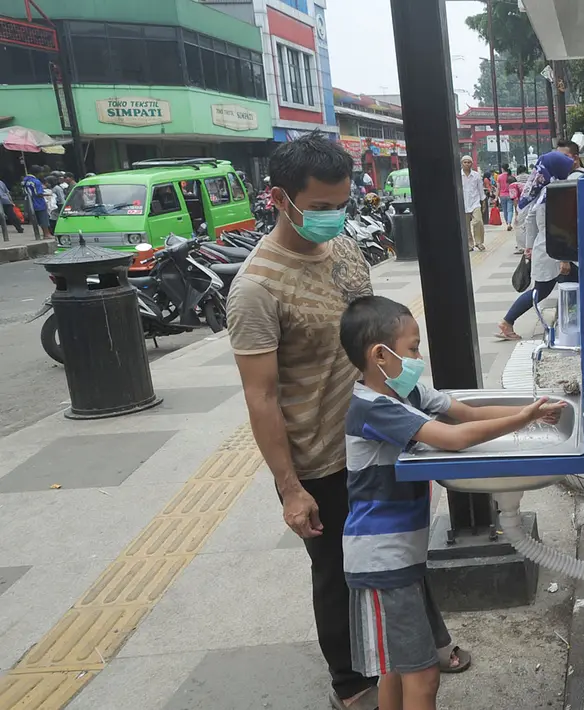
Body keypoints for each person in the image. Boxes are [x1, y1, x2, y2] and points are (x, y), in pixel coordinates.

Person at [228, 132, 470, 710]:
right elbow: (260, 397)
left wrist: (414, 395)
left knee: (399, 550)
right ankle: (350, 680)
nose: (333, 218)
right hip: (320, 456)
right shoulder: (255, 289)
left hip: (379, 434)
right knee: (339, 571)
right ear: (280, 199)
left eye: (342, 205)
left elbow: (374, 339)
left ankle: (423, 643)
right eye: (319, 208)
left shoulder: (344, 250)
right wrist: (290, 487)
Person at [339, 295, 563, 710]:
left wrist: (532, 408)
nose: (418, 356)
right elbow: (455, 438)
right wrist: (523, 419)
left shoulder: (402, 391)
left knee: (396, 668)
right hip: (382, 561)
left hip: (399, 558)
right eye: (411, 348)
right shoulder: (374, 408)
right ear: (379, 355)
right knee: (422, 675)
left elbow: (463, 413)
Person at [495, 143, 577, 341]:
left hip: (545, 249)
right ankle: (570, 329)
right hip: (554, 252)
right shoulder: (556, 193)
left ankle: (508, 322)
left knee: (544, 290)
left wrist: (529, 247)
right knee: (567, 287)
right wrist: (563, 259)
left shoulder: (544, 190)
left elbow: (530, 218)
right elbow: (558, 228)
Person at [459, 156, 484, 251]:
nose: (467, 164)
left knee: (478, 221)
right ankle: (470, 244)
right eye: (465, 162)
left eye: (469, 162)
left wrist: (483, 201)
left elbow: (480, 189)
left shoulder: (476, 175)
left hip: (475, 202)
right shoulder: (458, 175)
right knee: (466, 226)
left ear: (471, 164)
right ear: (462, 163)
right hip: (463, 203)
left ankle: (479, 242)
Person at [21, 169, 49, 240]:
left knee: (37, 220)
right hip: (38, 202)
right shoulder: (36, 181)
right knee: (43, 218)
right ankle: (46, 234)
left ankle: (39, 234)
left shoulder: (24, 181)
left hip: (29, 203)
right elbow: (38, 193)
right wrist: (47, 194)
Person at [509, 166, 529, 254]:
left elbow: (515, 199)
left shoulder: (513, 184)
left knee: (519, 226)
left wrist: (516, 212)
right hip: (530, 204)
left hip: (521, 206)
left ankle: (521, 247)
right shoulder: (529, 178)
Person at [497, 164, 513, 231]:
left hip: (502, 195)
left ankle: (507, 223)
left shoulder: (499, 177)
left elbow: (498, 188)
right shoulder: (511, 176)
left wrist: (497, 196)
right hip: (510, 195)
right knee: (510, 210)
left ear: (502, 168)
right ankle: (509, 223)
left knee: (505, 210)